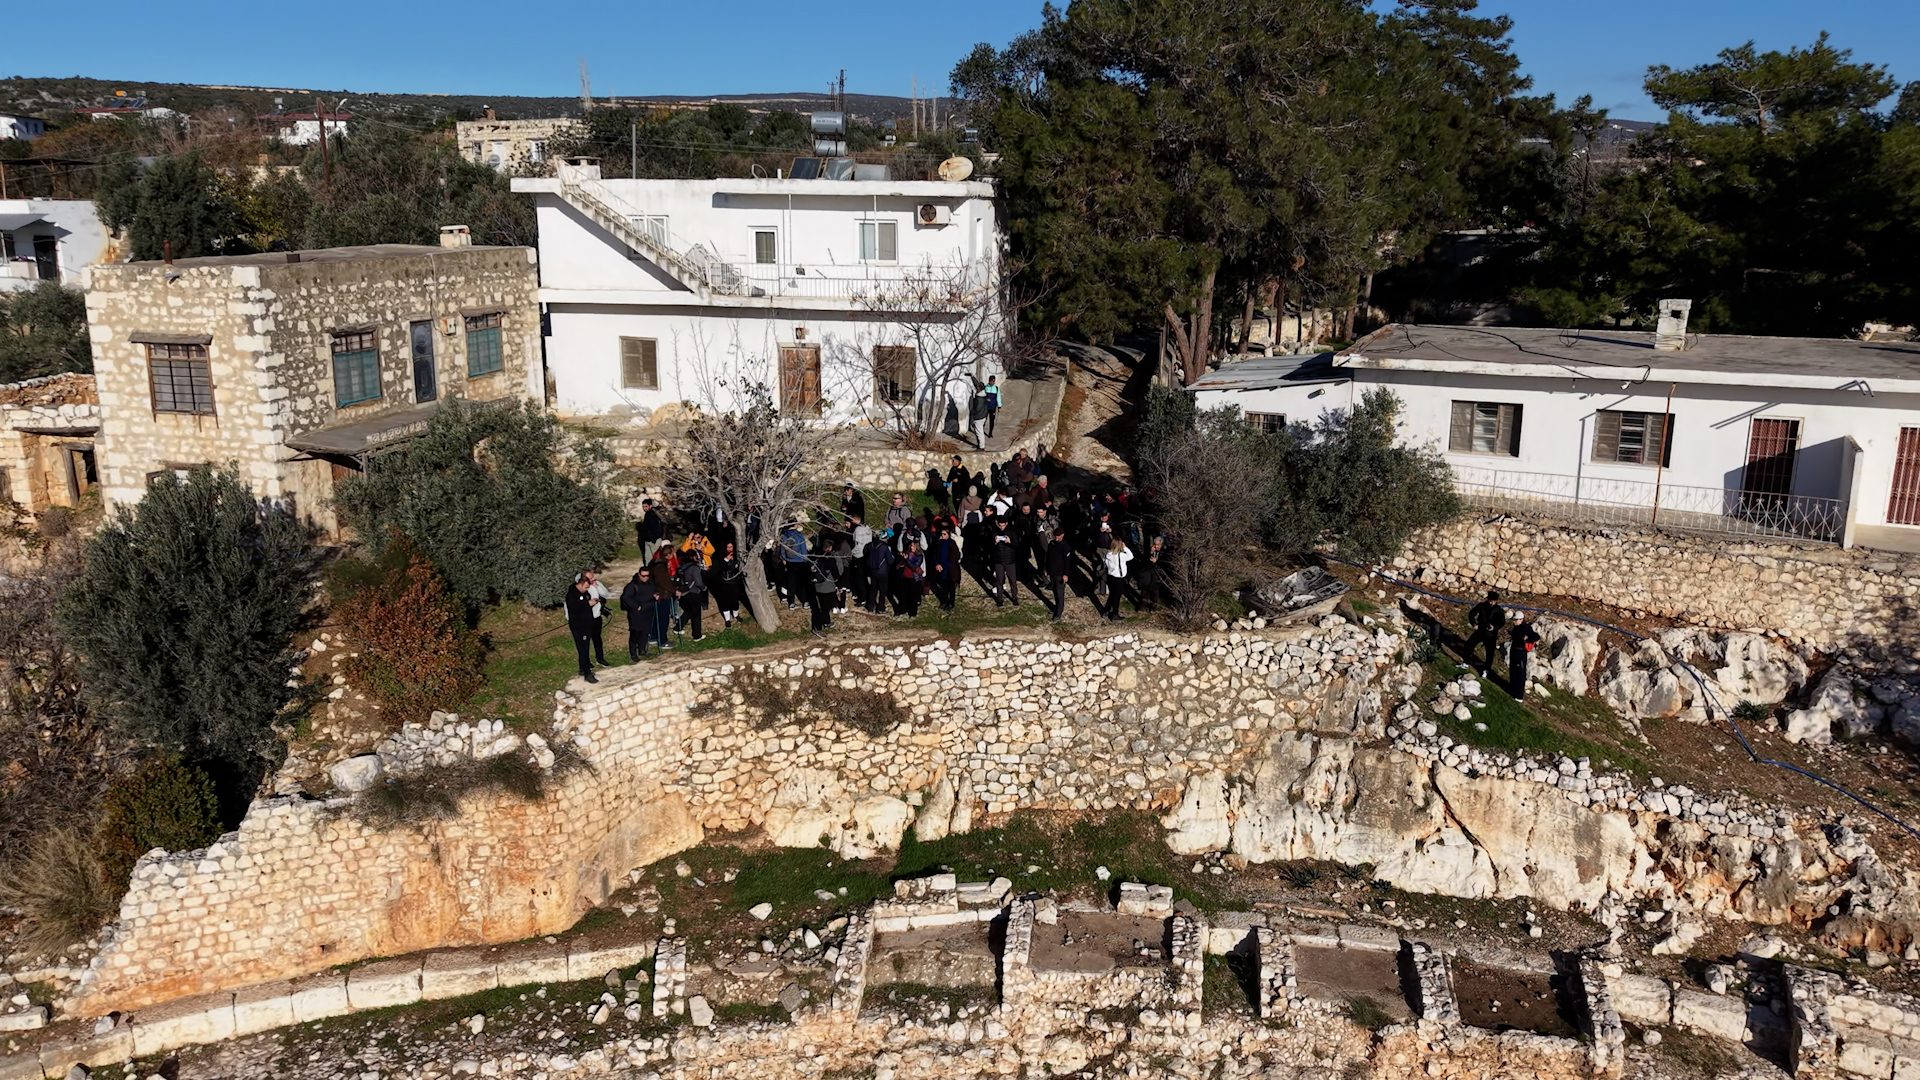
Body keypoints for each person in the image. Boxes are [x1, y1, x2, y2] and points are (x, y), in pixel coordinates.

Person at [564, 574, 602, 683]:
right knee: (583, 650)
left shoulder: (583, 594)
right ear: (580, 584)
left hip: (587, 625)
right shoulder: (571, 595)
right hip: (579, 626)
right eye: (586, 587)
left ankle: (582, 669)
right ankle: (587, 673)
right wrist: (587, 604)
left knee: (584, 648)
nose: (587, 590)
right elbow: (575, 609)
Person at [1465, 590, 1506, 675]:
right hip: (1480, 631)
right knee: (1469, 645)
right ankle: (1466, 662)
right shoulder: (1482, 606)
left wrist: (1494, 627)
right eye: (1491, 601)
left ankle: (1486, 670)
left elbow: (1502, 622)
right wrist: (1474, 624)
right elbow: (1472, 614)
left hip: (1491, 634)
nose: (1492, 603)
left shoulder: (1498, 610)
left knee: (1489, 653)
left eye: (1494, 601)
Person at [619, 569, 656, 661]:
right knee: (635, 633)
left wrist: (656, 596)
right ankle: (633, 654)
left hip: (648, 611)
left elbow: (653, 592)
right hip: (636, 613)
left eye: (647, 575)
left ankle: (642, 649)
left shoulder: (650, 583)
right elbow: (626, 597)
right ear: (639, 575)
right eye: (643, 576)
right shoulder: (632, 585)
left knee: (645, 632)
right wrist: (636, 606)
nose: (645, 578)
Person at [674, 547, 708, 641]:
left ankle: (678, 627)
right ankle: (697, 635)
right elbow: (698, 582)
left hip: (682, 593)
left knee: (688, 612)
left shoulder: (680, 567)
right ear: (693, 557)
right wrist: (703, 587)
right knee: (696, 615)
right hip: (693, 593)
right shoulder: (694, 568)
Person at [647, 548, 677, 649]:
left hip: (658, 594)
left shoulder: (656, 562)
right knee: (663, 619)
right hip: (663, 595)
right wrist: (674, 590)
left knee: (657, 617)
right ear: (668, 555)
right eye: (672, 553)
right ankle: (662, 641)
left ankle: (654, 636)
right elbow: (664, 582)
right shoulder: (660, 566)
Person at [712, 540, 745, 629]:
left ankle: (736, 615)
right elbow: (718, 569)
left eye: (731, 547)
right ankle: (727, 619)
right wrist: (726, 560)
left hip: (735, 582)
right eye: (728, 547)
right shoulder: (720, 557)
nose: (730, 549)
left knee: (734, 600)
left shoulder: (737, 556)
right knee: (725, 601)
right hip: (724, 582)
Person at [929, 524, 961, 612]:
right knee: (944, 587)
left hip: (950, 569)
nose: (942, 536)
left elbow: (954, 557)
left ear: (948, 534)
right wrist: (936, 564)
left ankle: (951, 603)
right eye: (941, 534)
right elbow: (935, 555)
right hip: (941, 569)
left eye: (944, 534)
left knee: (951, 587)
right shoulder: (939, 543)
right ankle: (945, 601)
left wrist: (944, 565)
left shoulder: (952, 543)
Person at [778, 522, 811, 609]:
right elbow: (804, 550)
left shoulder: (784, 536)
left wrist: (785, 559)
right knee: (802, 583)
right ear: (795, 525)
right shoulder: (800, 536)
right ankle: (805, 601)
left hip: (790, 562)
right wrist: (804, 560)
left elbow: (782, 551)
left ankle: (791, 602)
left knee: (791, 583)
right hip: (800, 562)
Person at [582, 570, 611, 667]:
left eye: (593, 577)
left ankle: (600, 658)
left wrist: (597, 587)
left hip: (597, 617)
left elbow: (606, 594)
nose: (593, 579)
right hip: (585, 618)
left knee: (597, 639)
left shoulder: (596, 584)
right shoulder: (581, 587)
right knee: (585, 641)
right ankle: (586, 661)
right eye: (590, 578)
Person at [1509, 616, 1542, 700]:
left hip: (1521, 652)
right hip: (1514, 650)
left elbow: (1536, 636)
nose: (1514, 621)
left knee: (1520, 673)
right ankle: (1513, 689)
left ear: (1521, 620)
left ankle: (1519, 695)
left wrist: (1527, 640)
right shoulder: (1516, 628)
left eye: (1516, 620)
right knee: (1513, 670)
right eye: (1514, 620)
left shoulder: (1525, 628)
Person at [1101, 537, 1134, 621]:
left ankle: (1106, 610)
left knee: (1112, 595)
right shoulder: (1121, 556)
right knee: (1116, 597)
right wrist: (1125, 547)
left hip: (1110, 577)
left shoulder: (1107, 554)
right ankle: (1115, 614)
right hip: (1118, 579)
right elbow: (1131, 556)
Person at [990, 516, 1019, 607]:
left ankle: (1015, 598)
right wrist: (994, 542)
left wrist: (1010, 542)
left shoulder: (1012, 532)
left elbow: (1017, 544)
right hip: (998, 560)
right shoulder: (993, 532)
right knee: (999, 580)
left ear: (1006, 524)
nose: (1002, 527)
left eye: (1003, 525)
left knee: (1012, 580)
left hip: (1010, 560)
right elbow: (988, 546)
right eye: (1000, 525)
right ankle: (1000, 599)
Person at [865, 529, 896, 613]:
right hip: (883, 572)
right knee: (883, 591)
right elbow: (890, 561)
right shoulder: (885, 548)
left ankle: (871, 606)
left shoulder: (870, 545)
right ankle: (881, 608)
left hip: (872, 570)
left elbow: (866, 553)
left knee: (873, 588)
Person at [1046, 526, 1071, 621]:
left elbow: (1067, 563)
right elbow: (1048, 557)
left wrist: (1066, 574)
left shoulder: (1066, 547)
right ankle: (1056, 608)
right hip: (1052, 572)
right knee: (1055, 592)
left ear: (1062, 535)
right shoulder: (1051, 544)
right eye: (1055, 536)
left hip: (1060, 574)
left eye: (1058, 536)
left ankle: (1058, 613)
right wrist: (1046, 569)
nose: (1056, 537)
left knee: (1060, 593)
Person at [895, 538, 924, 617]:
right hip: (905, 576)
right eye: (911, 546)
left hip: (913, 578)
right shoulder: (907, 553)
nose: (912, 548)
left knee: (913, 596)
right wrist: (902, 559)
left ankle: (912, 612)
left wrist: (906, 559)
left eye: (914, 546)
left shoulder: (919, 556)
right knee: (903, 594)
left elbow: (914, 566)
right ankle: (902, 609)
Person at [809, 553, 836, 635]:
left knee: (822, 608)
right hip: (829, 588)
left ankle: (826, 622)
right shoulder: (831, 561)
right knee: (823, 609)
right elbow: (838, 572)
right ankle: (818, 628)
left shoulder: (815, 563)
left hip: (817, 588)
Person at [1138, 535, 1165, 612]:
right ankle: (1143, 604)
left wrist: (1157, 562)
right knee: (1145, 588)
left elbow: (1165, 564)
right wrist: (1150, 553)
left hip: (1157, 573)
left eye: (1158, 545)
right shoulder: (1150, 551)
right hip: (1148, 572)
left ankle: (1153, 606)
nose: (1156, 546)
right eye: (1155, 544)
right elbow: (1144, 561)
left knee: (1155, 590)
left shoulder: (1163, 553)